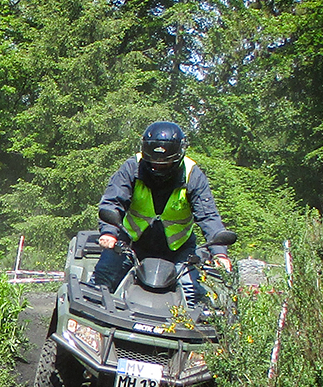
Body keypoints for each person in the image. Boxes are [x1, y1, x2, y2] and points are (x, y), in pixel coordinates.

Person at [91, 120, 231, 301]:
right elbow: (112, 201)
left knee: (194, 294)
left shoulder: (192, 175)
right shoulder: (132, 167)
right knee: (101, 280)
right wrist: (109, 232)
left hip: (178, 250)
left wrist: (219, 252)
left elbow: (208, 216)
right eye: (153, 162)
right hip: (131, 244)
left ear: (178, 157)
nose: (157, 167)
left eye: (165, 164)